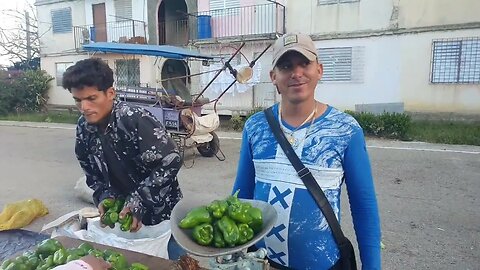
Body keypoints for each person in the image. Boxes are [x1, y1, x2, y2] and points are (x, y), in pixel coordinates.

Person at [232, 33, 381, 269]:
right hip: (261, 263)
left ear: (319, 70)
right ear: (273, 77)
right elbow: (241, 196)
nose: (296, 73)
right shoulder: (255, 127)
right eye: (286, 66)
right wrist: (233, 254)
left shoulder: (345, 130)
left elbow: (364, 208)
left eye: (305, 63)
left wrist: (373, 266)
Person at [62, 58, 184, 258]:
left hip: (160, 213)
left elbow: (170, 160)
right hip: (122, 212)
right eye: (78, 100)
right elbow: (89, 169)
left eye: (91, 98)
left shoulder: (135, 119)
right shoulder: (84, 128)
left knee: (172, 260)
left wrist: (140, 201)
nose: (83, 107)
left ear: (110, 93)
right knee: (131, 259)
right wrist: (102, 196)